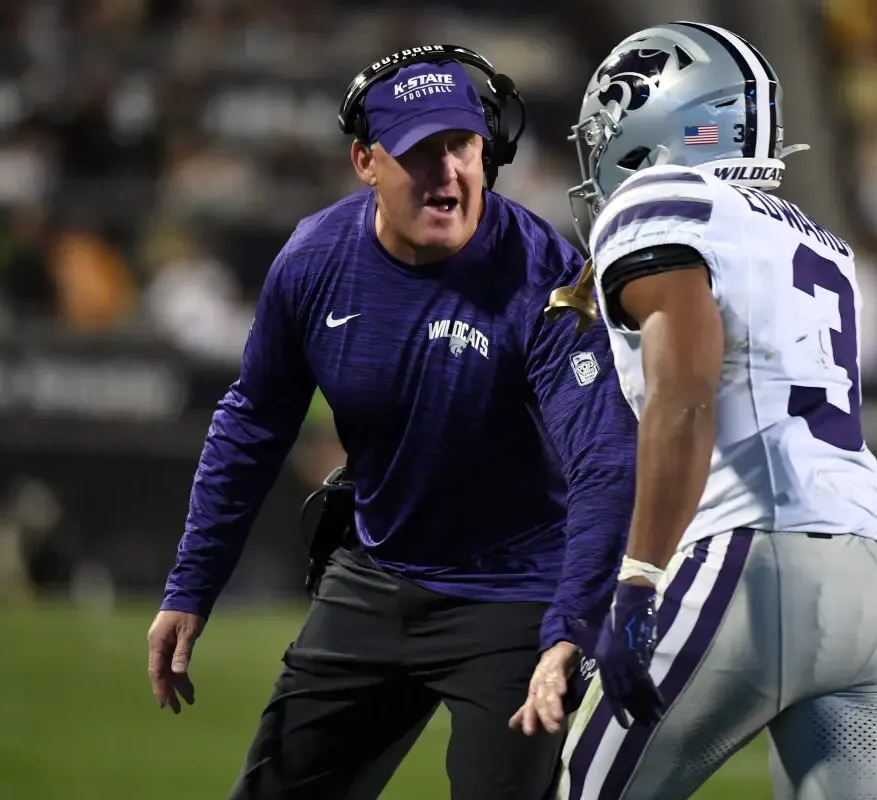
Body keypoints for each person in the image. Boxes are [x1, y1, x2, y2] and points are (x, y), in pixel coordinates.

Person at [144, 45, 637, 800]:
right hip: (376, 576)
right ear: (366, 162)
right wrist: (189, 587)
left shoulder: (545, 275)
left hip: (516, 597)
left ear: (488, 151)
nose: (447, 172)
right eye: (419, 152)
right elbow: (252, 425)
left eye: (462, 145)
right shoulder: (315, 261)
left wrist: (571, 625)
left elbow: (604, 457)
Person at [543, 21, 877, 800]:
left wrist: (638, 579)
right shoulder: (816, 240)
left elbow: (685, 394)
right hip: (865, 586)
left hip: (746, 565)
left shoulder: (661, 199)